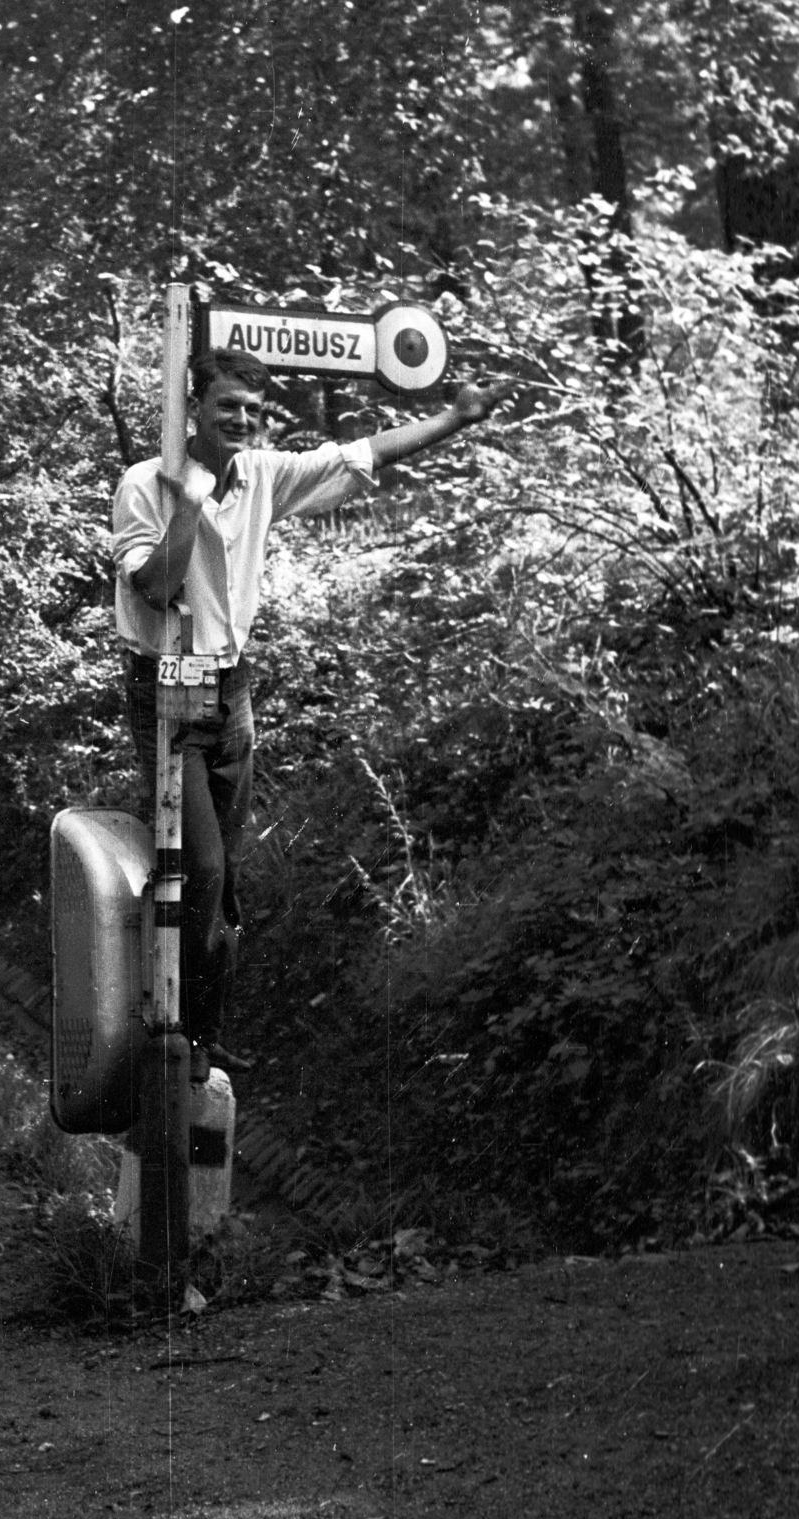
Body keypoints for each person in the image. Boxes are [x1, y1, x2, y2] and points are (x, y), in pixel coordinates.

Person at [111, 345, 511, 1083]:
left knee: (223, 874)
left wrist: (455, 419)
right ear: (193, 408)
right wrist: (189, 504)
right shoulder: (146, 484)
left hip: (229, 690)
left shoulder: (264, 474)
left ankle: (201, 1037)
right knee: (198, 867)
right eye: (226, 406)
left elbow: (361, 455)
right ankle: (166, 1029)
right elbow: (157, 589)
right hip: (167, 687)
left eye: (252, 411)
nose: (241, 420)